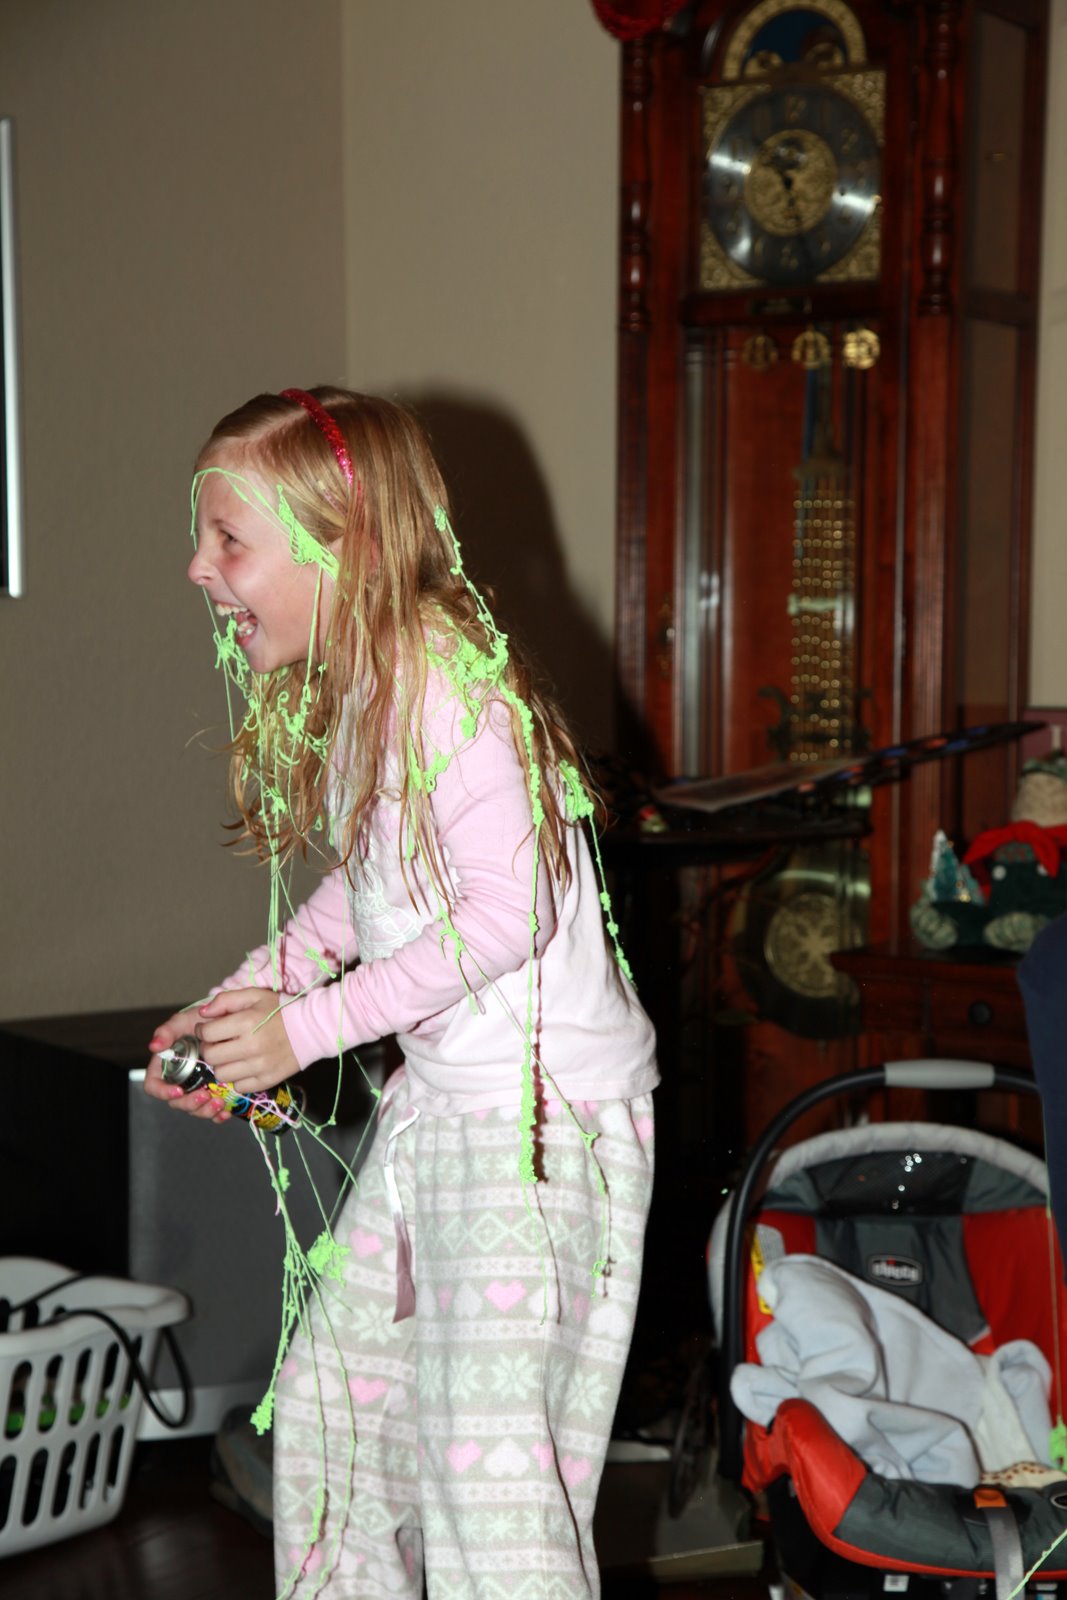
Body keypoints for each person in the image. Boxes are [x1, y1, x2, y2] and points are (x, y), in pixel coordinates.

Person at [143, 387, 659, 1599]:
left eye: (229, 540)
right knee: (336, 1418)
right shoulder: (370, 689)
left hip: (539, 1132)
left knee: (489, 1486)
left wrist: (306, 1031)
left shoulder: (452, 688)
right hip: (444, 1110)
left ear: (346, 546)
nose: (198, 568)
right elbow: (374, 893)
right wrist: (245, 1006)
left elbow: (505, 911)